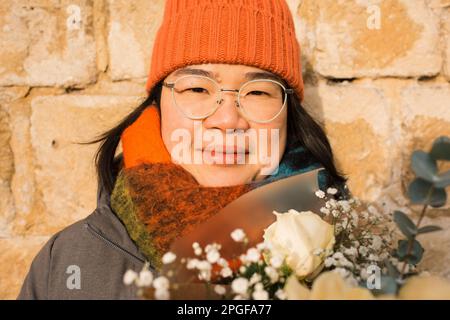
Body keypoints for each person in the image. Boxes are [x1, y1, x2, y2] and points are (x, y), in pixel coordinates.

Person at [18, 0, 350, 299]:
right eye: (196, 88)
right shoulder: (67, 264)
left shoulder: (352, 261)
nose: (227, 118)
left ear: (289, 115)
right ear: (158, 105)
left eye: (258, 92)